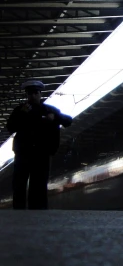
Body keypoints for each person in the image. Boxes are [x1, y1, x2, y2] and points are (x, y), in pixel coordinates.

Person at [6, 80, 73, 210]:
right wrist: (21, 115)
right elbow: (10, 127)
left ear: (40, 94)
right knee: (19, 184)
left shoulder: (50, 110)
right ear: (26, 95)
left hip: (42, 152)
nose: (32, 96)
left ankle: (38, 211)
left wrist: (55, 118)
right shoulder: (20, 110)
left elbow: (68, 120)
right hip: (23, 152)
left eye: (35, 93)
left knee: (39, 184)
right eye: (29, 93)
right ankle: (19, 211)